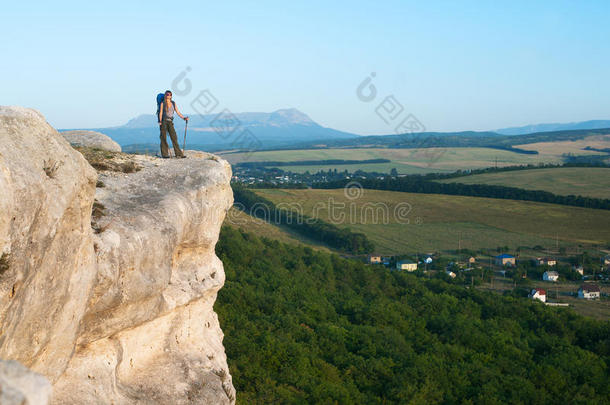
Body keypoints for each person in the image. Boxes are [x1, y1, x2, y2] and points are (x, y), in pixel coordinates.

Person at [158, 90, 188, 158]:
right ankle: (165, 154)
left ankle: (179, 154)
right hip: (164, 121)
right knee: (163, 138)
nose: (168, 95)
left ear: (171, 96)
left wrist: (184, 118)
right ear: (165, 95)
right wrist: (159, 121)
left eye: (170, 94)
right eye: (167, 94)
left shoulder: (173, 103)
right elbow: (161, 113)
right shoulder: (163, 103)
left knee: (174, 137)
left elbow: (177, 112)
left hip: (170, 121)